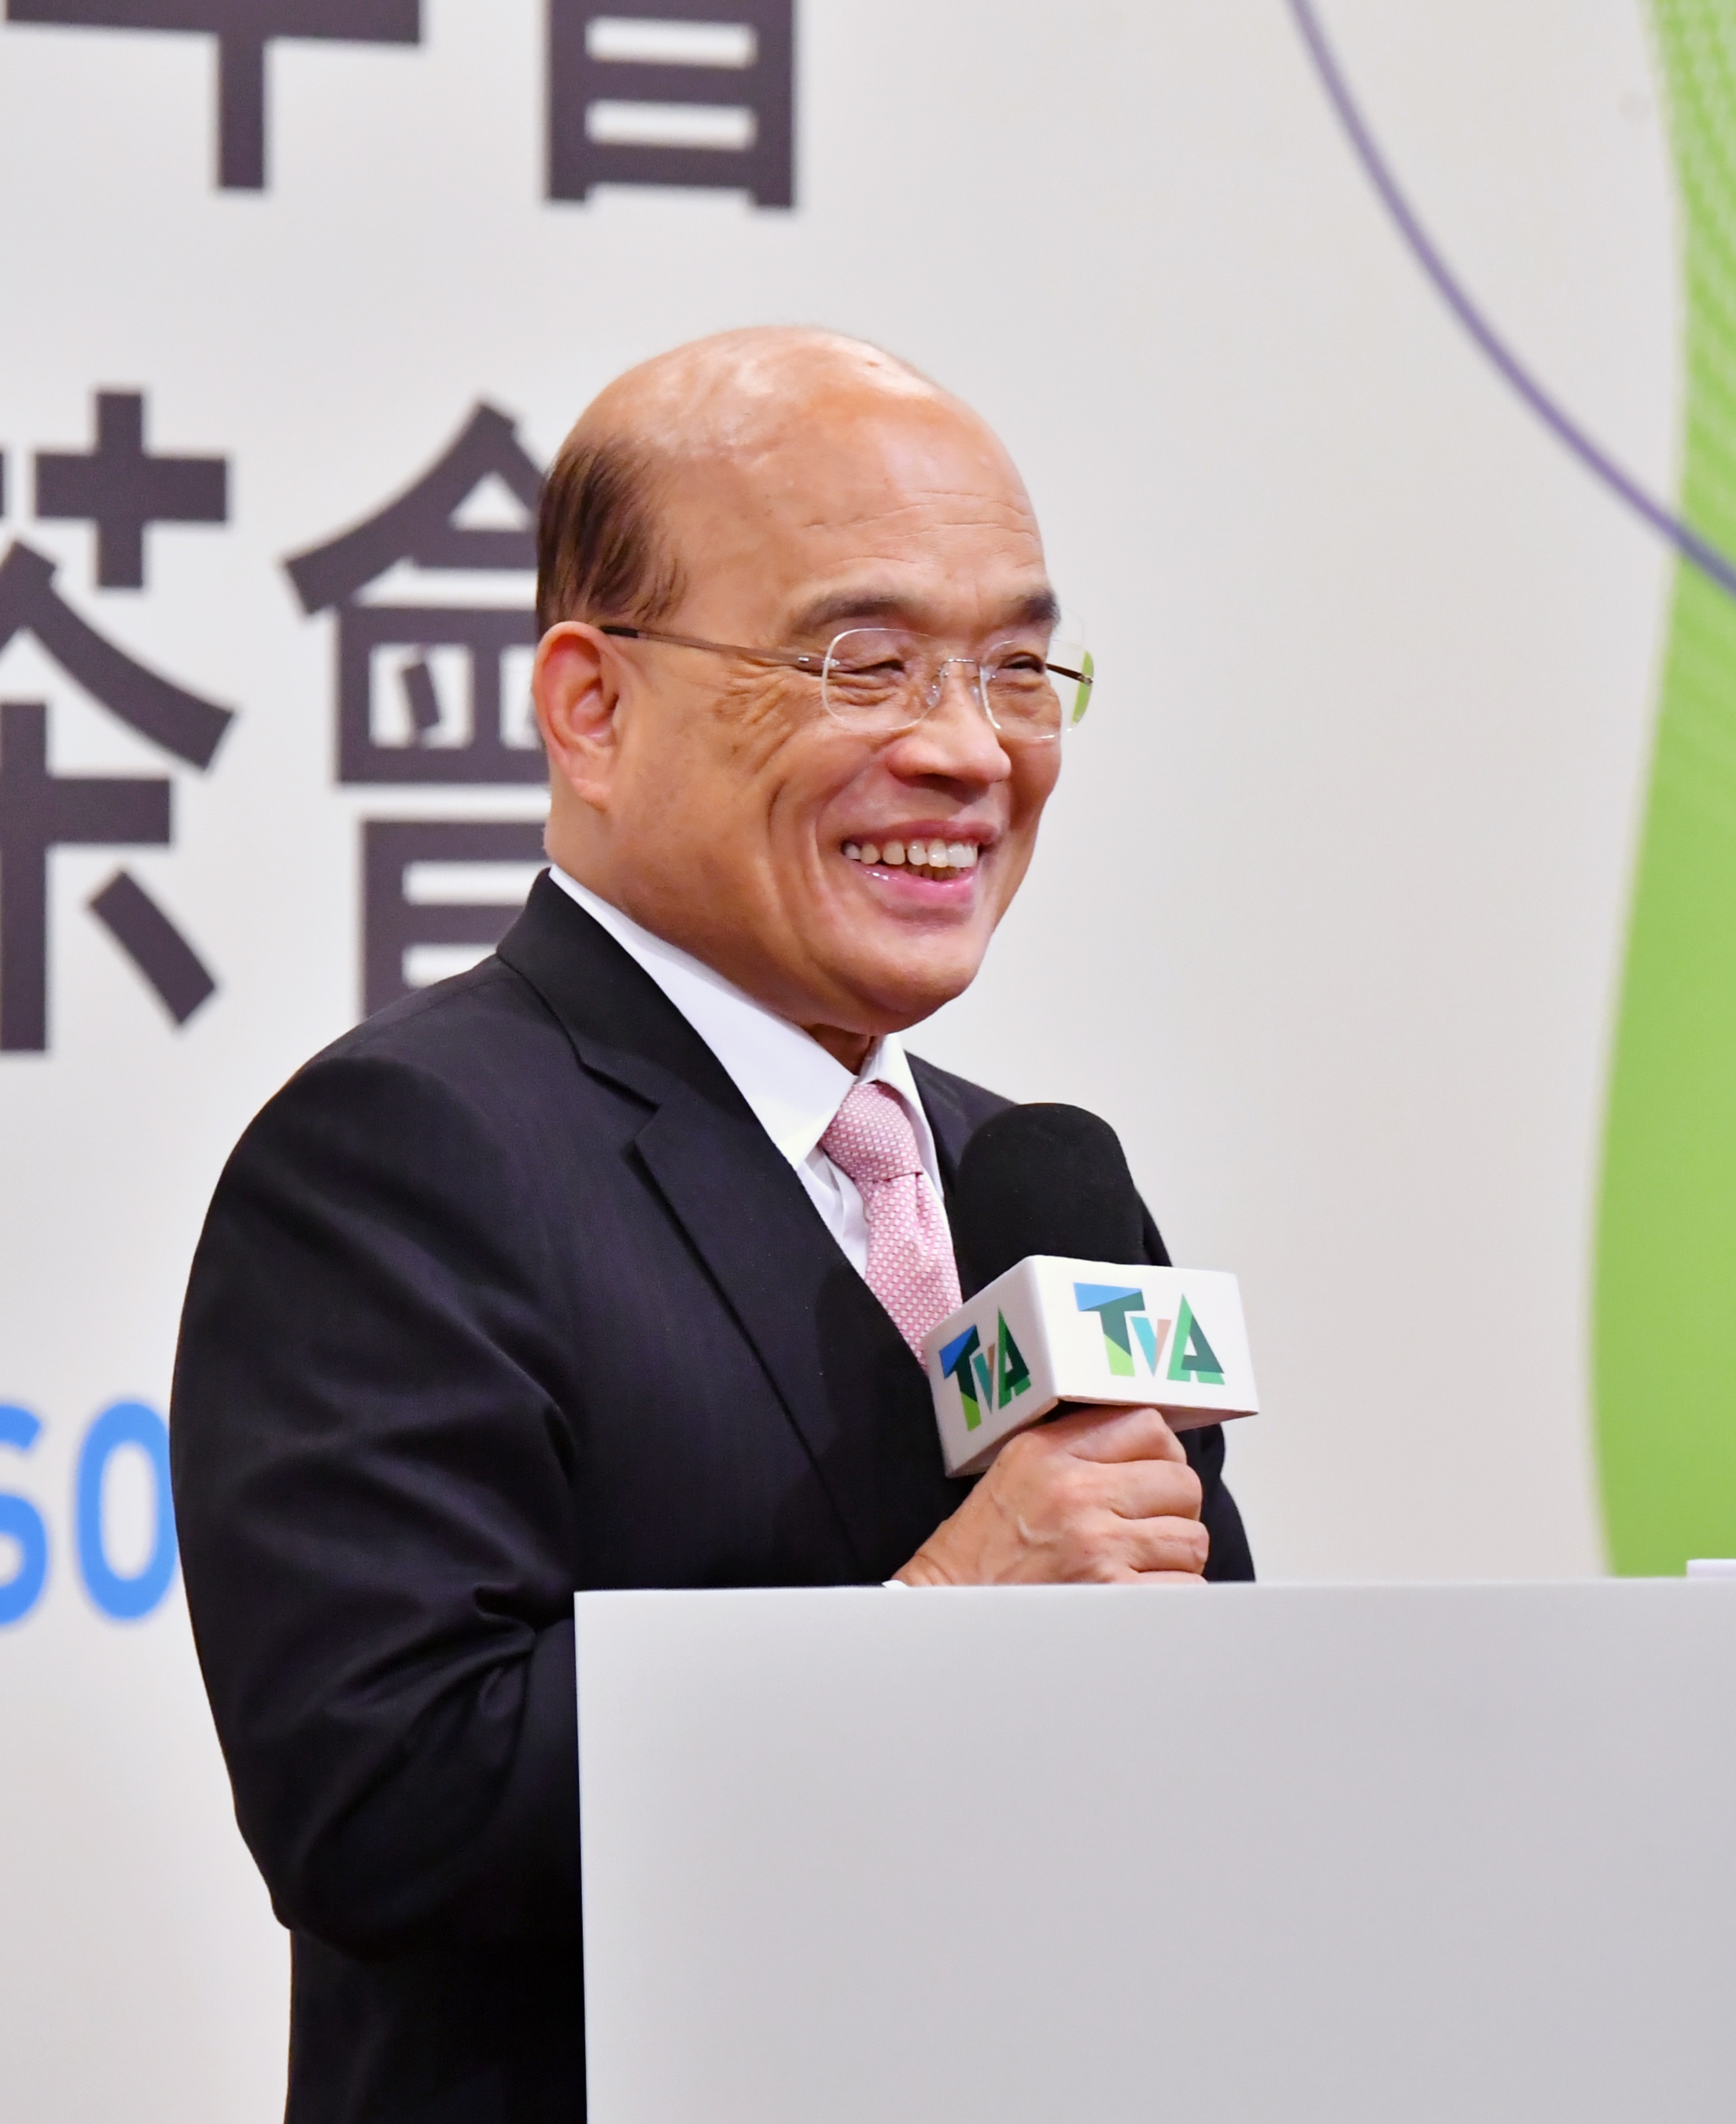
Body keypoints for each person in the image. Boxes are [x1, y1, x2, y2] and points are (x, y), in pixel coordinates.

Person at [170, 327, 1252, 2124]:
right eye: (864, 664)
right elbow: (385, 1806)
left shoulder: (1034, 1178)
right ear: (591, 708)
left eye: (1016, 670)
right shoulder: (406, 1155)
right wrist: (934, 1625)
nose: (966, 751)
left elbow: (1208, 1743)